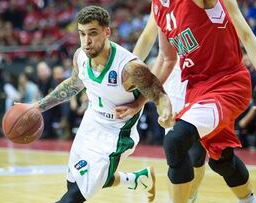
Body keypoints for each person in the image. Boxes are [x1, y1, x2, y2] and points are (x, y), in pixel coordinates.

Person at [117, 0, 256, 202]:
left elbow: (245, 34)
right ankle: (250, 200)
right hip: (197, 89)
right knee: (222, 160)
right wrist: (140, 100)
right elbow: (166, 59)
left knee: (175, 141)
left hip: (228, 84)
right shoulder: (160, 7)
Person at [31, 6, 174, 203]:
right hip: (90, 123)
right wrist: (38, 107)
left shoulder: (129, 68)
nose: (86, 41)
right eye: (82, 34)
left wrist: (164, 111)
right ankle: (137, 178)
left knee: (75, 196)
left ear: (107, 32)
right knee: (74, 184)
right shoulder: (80, 56)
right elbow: (73, 84)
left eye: (92, 33)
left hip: (116, 134)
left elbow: (159, 94)